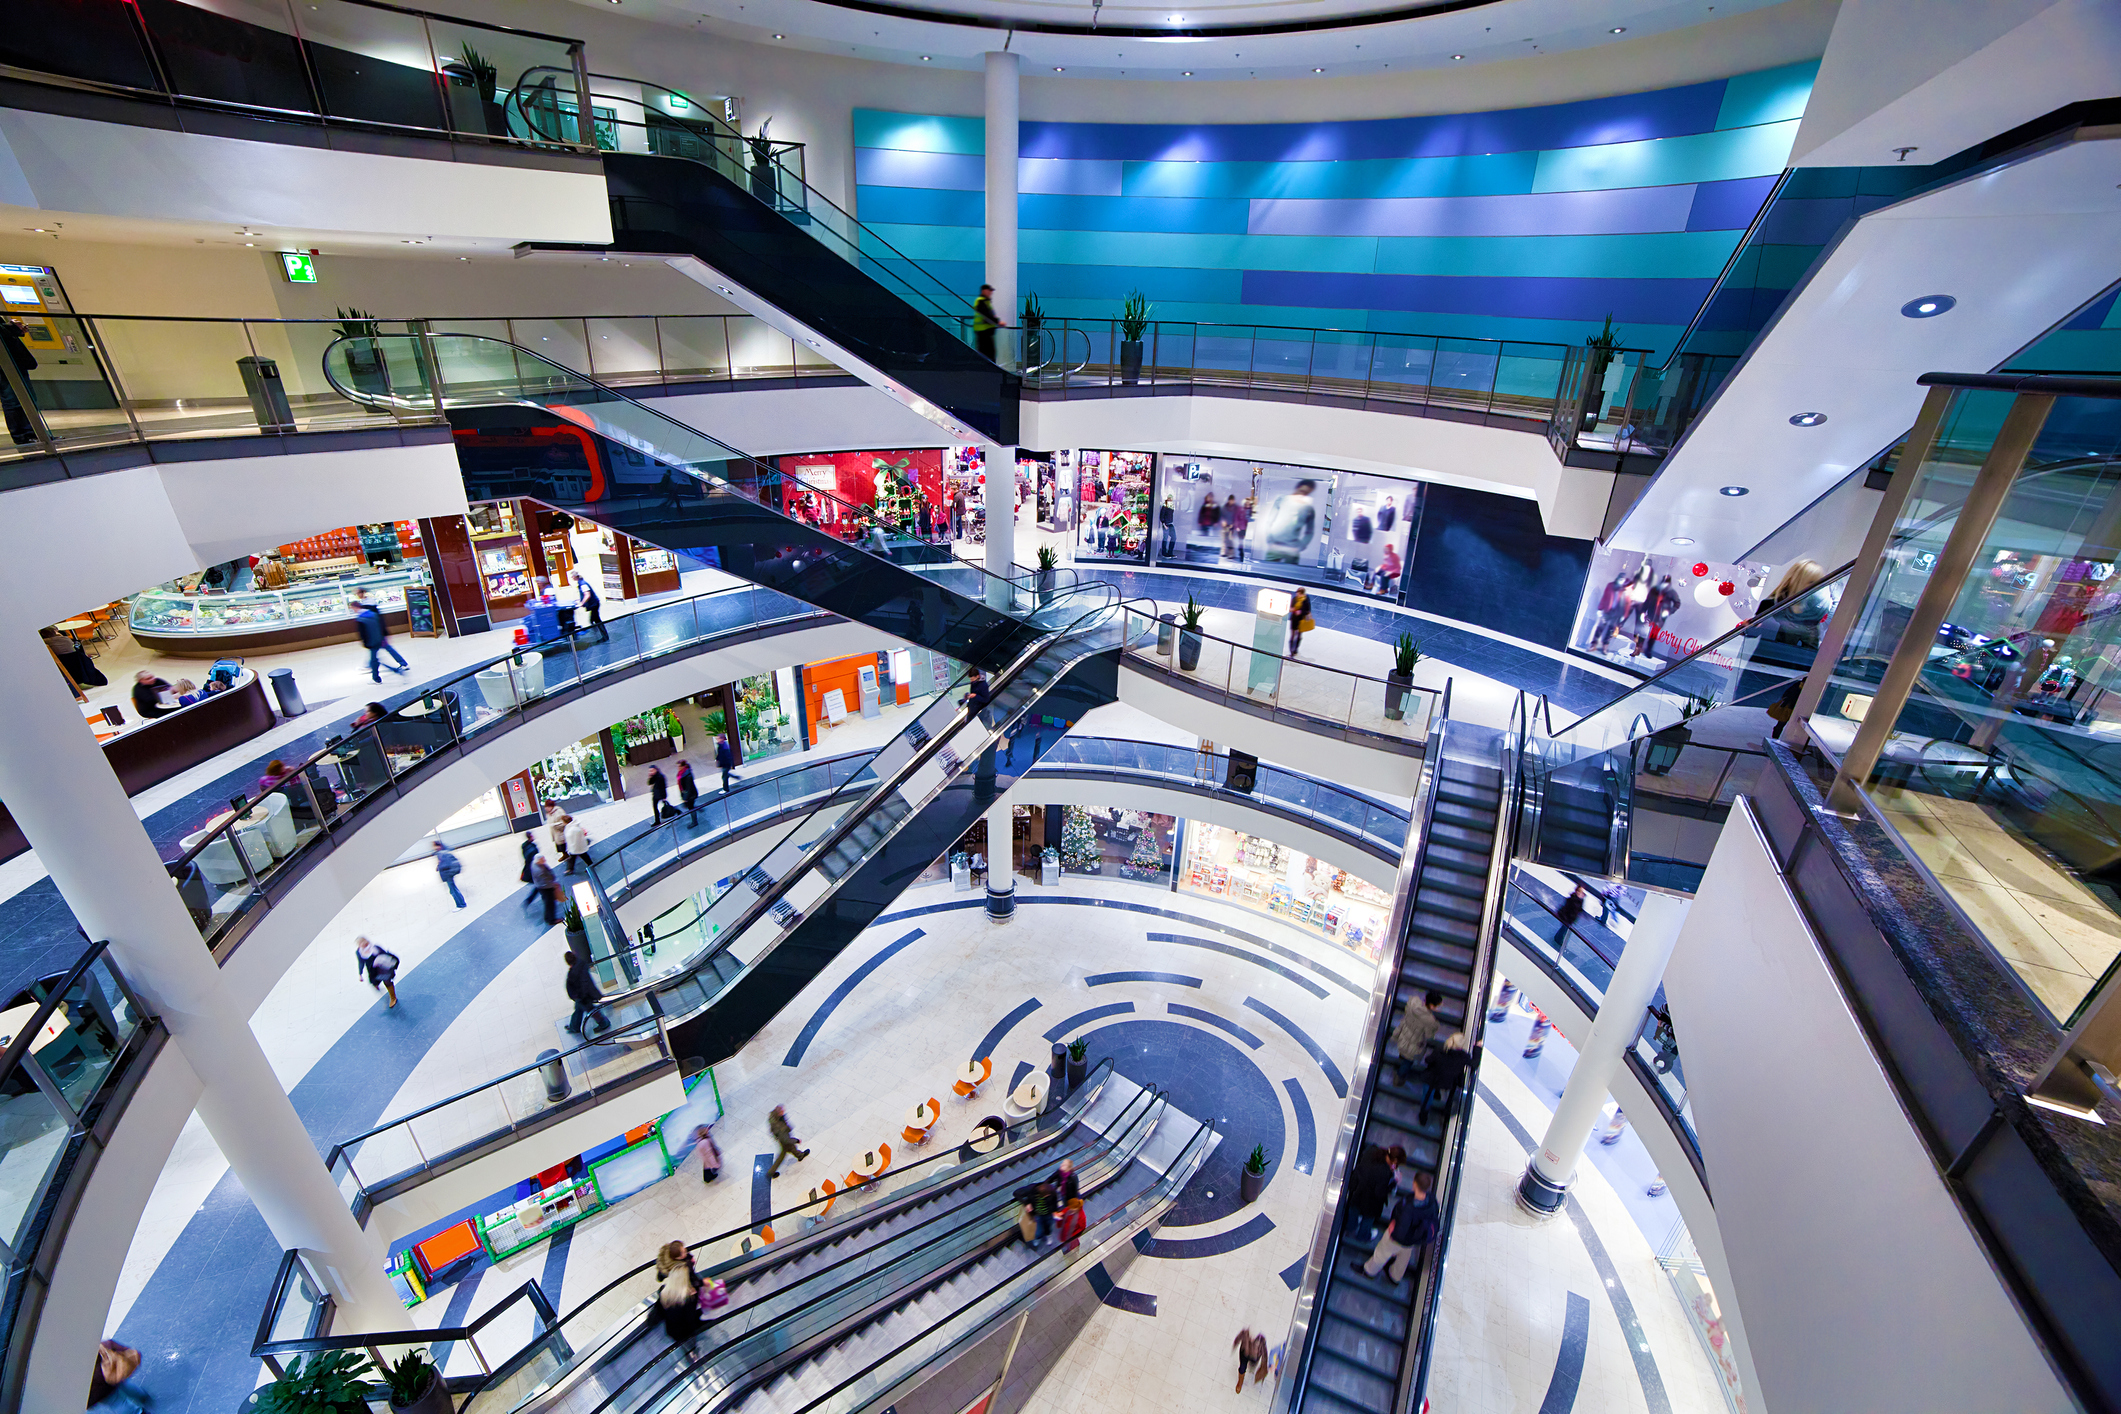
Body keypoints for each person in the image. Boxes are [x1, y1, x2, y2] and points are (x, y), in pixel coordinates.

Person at [1359, 1169, 1438, 1284]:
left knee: (1381, 1253)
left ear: (1414, 1183)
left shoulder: (1409, 1209)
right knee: (1403, 1259)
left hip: (1398, 1239)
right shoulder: (1431, 1201)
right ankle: (1395, 1277)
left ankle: (1369, 1271)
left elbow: (1400, 1231)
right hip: (1412, 1240)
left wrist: (1392, 1231)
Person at [1346, 1142, 1405, 1239]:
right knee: (1368, 1218)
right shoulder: (1384, 1173)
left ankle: (1349, 1228)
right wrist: (1394, 1182)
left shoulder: (1373, 1150)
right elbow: (1380, 1192)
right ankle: (1363, 1235)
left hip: (1356, 1189)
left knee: (1353, 1211)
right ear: (1394, 1161)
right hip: (1369, 1201)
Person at [0, 315, 39, 446]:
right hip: (4, 365)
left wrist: (13, 329)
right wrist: (13, 328)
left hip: (14, 361)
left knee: (27, 398)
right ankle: (22, 435)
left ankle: (34, 433)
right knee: (13, 400)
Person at [353, 593, 410, 682]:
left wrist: (365, 643)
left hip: (373, 639)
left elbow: (363, 633)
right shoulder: (372, 611)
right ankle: (403, 663)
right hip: (379, 636)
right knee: (385, 651)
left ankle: (376, 678)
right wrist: (384, 633)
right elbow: (380, 623)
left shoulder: (361, 617)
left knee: (374, 659)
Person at [656, 1240, 704, 1341]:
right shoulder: (686, 1299)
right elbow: (689, 1320)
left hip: (674, 1330)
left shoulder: (664, 1294)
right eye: (683, 1252)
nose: (686, 1251)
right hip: (683, 1333)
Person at [1392, 989, 1444, 1084]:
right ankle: (1399, 1078)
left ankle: (1398, 1064)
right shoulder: (1430, 1020)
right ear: (1432, 1006)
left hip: (1403, 1034)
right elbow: (1429, 1035)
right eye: (1438, 1005)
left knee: (1403, 1053)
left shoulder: (1413, 1003)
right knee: (1408, 1061)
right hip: (1413, 1044)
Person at [1264, 479, 1319, 564]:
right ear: (1297, 488)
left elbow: (1310, 531)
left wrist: (1300, 546)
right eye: (1301, 491)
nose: (1302, 495)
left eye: (1306, 493)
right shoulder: (1281, 500)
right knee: (1267, 571)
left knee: (1289, 574)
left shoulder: (1309, 509)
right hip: (1275, 545)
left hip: (1292, 549)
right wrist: (1270, 540)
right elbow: (1270, 521)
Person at [88, 1338, 147, 1413]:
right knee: (122, 1384)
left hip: (94, 1390)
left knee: (116, 1402)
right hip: (108, 1371)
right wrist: (126, 1350)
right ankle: (141, 1396)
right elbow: (107, 1344)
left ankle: (137, 1412)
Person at [41, 626, 106, 690]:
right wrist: (61, 635)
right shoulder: (65, 639)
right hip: (75, 660)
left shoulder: (45, 642)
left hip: (60, 662)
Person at [564, 949, 611, 1036]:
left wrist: (581, 996)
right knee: (578, 1010)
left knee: (591, 1010)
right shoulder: (580, 964)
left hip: (583, 996)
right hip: (585, 994)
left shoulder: (574, 972)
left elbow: (582, 983)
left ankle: (604, 1023)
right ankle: (574, 1027)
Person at [355, 936, 399, 1008]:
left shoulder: (375, 948)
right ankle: (378, 987)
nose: (363, 944)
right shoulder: (359, 952)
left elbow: (386, 955)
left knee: (387, 981)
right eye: (360, 943)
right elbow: (361, 962)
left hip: (382, 968)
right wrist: (360, 974)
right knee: (374, 983)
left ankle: (393, 998)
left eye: (364, 942)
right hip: (372, 970)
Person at [768, 1103, 810, 1177]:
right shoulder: (780, 1128)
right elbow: (786, 1139)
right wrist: (796, 1140)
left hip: (782, 1138)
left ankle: (800, 1156)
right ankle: (771, 1172)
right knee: (782, 1155)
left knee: (792, 1148)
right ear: (779, 1113)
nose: (783, 1112)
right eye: (782, 1112)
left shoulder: (773, 1117)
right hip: (784, 1141)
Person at [572, 570, 608, 644]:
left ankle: (603, 636)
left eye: (572, 576)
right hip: (594, 604)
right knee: (594, 620)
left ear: (575, 576)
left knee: (596, 620)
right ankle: (601, 635)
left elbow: (587, 595)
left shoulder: (582, 584)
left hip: (594, 604)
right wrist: (579, 600)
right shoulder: (581, 583)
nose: (571, 578)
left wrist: (581, 603)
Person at [972, 283, 1002, 363]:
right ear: (984, 291)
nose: (991, 293)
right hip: (983, 331)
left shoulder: (985, 301)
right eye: (989, 291)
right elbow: (986, 315)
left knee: (987, 353)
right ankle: (988, 371)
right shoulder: (981, 301)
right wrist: (998, 322)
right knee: (988, 353)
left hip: (985, 331)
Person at [1233, 1329, 1270, 1393]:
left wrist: (1264, 1365)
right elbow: (1238, 1338)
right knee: (1242, 1368)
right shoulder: (1245, 1332)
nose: (1252, 1339)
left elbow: (1264, 1353)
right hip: (1244, 1353)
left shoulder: (1261, 1340)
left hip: (1254, 1356)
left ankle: (1251, 1368)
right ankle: (1240, 1382)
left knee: (1252, 1366)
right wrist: (1235, 1344)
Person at [433, 839, 466, 909]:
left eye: (434, 846)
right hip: (447, 874)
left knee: (453, 890)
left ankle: (461, 905)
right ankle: (461, 904)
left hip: (448, 874)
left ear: (438, 846)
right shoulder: (441, 853)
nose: (433, 848)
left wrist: (443, 869)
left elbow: (446, 865)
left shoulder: (443, 854)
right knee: (453, 890)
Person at [530, 852, 560, 924]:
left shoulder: (534, 863)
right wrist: (553, 885)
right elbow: (547, 880)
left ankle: (547, 918)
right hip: (546, 888)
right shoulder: (540, 870)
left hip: (541, 887)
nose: (545, 860)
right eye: (543, 859)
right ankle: (551, 920)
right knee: (550, 903)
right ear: (539, 861)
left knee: (547, 903)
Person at [1287, 588, 1313, 657]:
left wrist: (1301, 612)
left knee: (1299, 636)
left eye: (1299, 594)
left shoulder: (1306, 600)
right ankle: (1291, 651)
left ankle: (1295, 649)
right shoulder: (1295, 599)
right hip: (1294, 619)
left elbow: (1308, 610)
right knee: (1292, 635)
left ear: (1302, 594)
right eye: (1297, 593)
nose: (1297, 595)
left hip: (1301, 620)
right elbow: (1291, 607)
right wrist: (1292, 610)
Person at [1158, 492, 1177, 557]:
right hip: (1166, 524)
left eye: (1171, 498)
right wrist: (1164, 524)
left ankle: (1170, 552)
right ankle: (1164, 553)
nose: (1170, 499)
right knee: (1165, 538)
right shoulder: (1165, 506)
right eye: (1169, 498)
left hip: (1170, 523)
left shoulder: (1171, 506)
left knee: (1173, 537)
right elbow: (1162, 516)